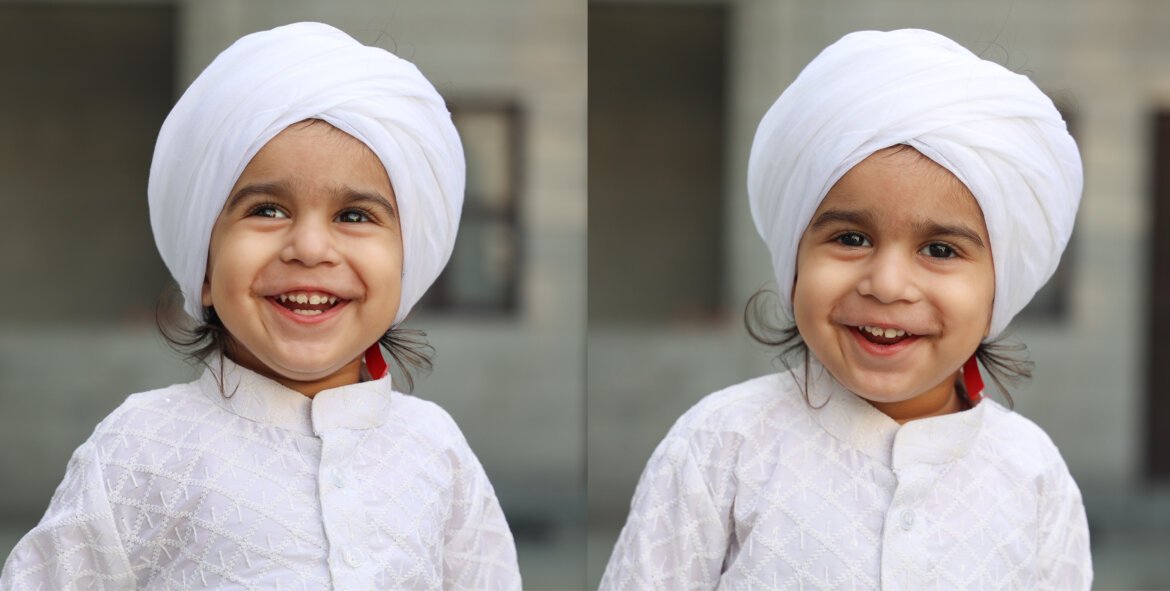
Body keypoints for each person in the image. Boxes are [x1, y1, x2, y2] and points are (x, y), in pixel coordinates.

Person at [1, 22, 520, 590]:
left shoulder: (435, 448)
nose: (310, 248)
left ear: (404, 269)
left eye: (354, 216)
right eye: (268, 210)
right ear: (203, 265)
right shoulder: (141, 446)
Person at [601, 29, 1091, 590]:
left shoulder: (1033, 474)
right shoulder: (722, 444)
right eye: (851, 239)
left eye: (939, 250)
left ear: (1001, 287)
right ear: (795, 258)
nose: (887, 285)